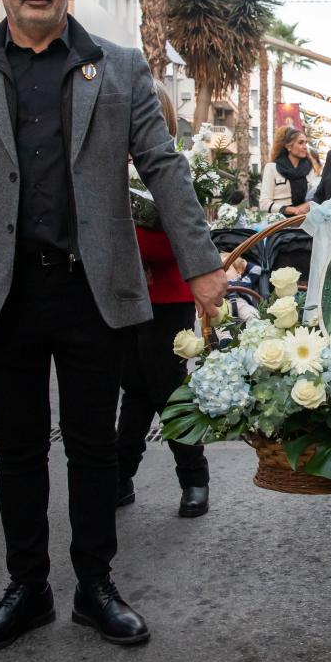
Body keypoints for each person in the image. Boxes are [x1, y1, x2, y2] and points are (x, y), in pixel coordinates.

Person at [0, 0, 226, 656]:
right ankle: (26, 589)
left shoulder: (116, 66)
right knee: (19, 451)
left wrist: (203, 262)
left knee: (92, 449)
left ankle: (96, 586)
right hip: (3, 294)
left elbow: (164, 166)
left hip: (94, 293)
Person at [116, 84, 212, 518]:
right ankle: (121, 479)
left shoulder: (178, 165)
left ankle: (194, 478)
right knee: (134, 389)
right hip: (121, 294)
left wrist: (141, 252)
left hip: (168, 293)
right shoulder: (109, 165)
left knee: (167, 389)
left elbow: (187, 236)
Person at [258, 126, 314, 218]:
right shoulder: (272, 168)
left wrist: (307, 206)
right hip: (278, 223)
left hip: (303, 221)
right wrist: (293, 210)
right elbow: (264, 204)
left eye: (305, 143)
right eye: (300, 143)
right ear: (288, 146)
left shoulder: (308, 169)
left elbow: (314, 196)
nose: (304, 147)